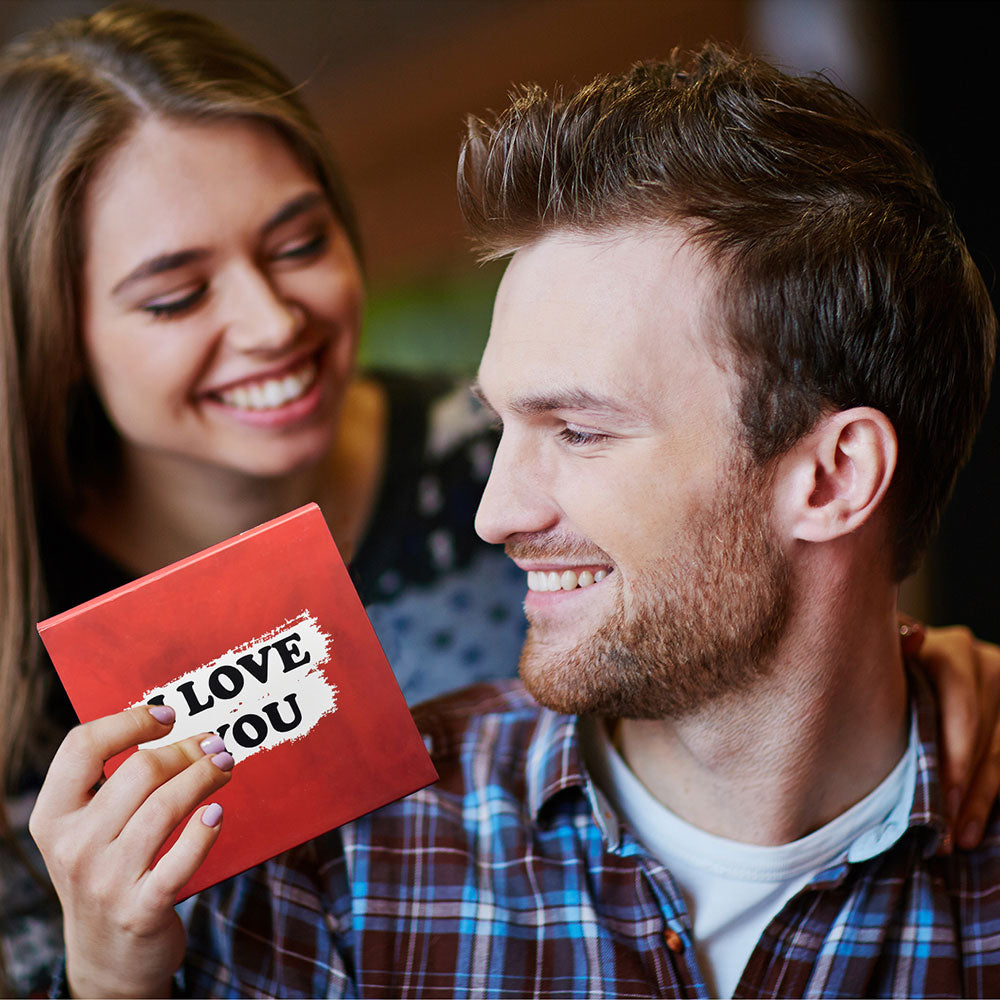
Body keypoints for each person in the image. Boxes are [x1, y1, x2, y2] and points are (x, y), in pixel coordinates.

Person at [29, 43, 1000, 999]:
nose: (493, 514)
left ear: (835, 478)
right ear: (56, 340)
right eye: (174, 294)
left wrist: (891, 662)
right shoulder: (347, 879)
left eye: (575, 429)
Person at [0, 5, 530, 995]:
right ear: (55, 338)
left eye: (296, 244)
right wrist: (110, 970)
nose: (271, 319)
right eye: (176, 295)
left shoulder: (507, 462)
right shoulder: (18, 650)